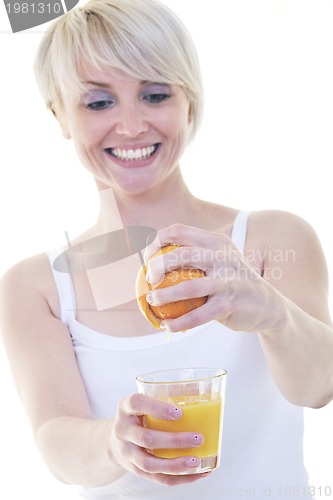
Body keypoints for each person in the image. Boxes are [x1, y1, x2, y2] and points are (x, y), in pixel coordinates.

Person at [1, 0, 332, 498]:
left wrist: (273, 313)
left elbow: (318, 388)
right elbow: (55, 444)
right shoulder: (35, 286)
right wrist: (114, 444)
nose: (132, 126)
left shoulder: (272, 240)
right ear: (60, 115)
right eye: (97, 103)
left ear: (189, 103)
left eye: (155, 95)